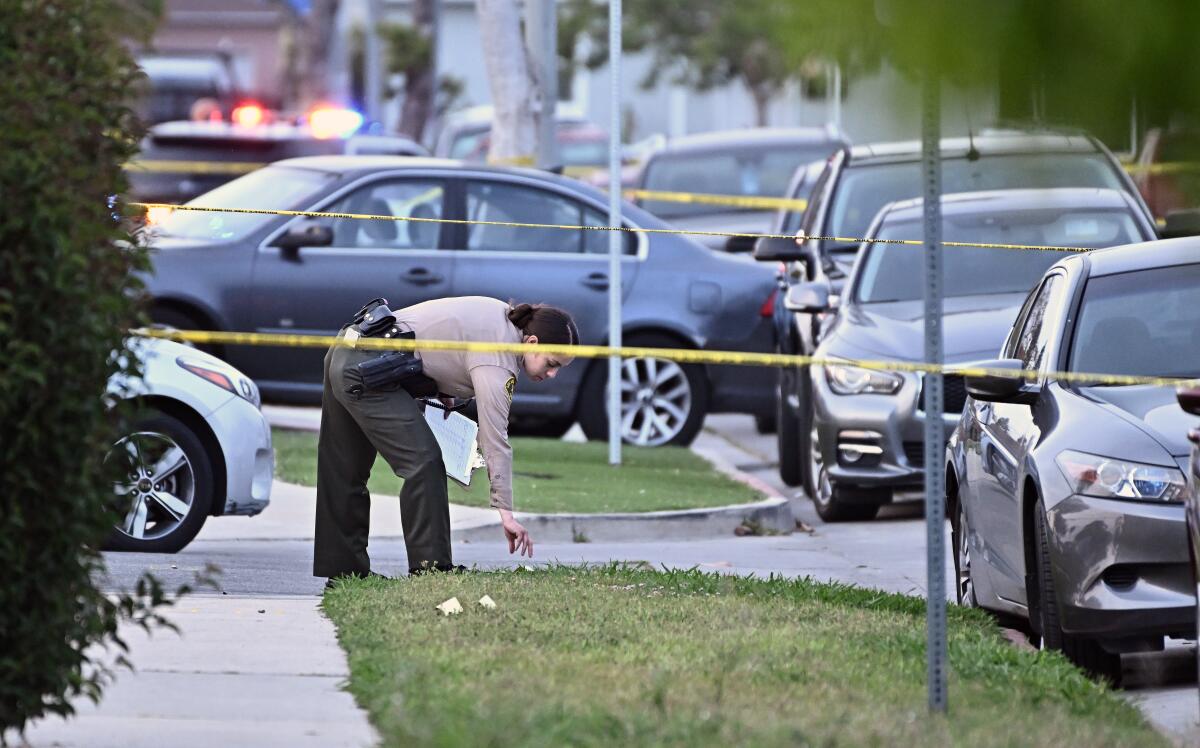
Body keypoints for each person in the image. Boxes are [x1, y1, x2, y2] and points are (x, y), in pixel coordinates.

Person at [313, 296, 579, 585]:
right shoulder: (499, 359)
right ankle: (431, 569)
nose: (552, 374)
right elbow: (495, 439)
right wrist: (506, 514)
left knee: (344, 469)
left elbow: (441, 338)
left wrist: (442, 387)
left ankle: (345, 573)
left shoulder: (502, 314)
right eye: (552, 363)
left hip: (347, 349)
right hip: (367, 371)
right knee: (423, 463)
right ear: (532, 343)